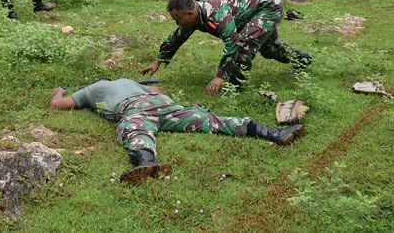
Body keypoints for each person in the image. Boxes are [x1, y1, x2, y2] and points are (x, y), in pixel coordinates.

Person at [49, 77, 304, 185]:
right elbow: (157, 92)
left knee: (136, 130)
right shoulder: (128, 82)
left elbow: (58, 105)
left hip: (135, 108)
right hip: (166, 105)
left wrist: (58, 91)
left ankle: (145, 162)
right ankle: (273, 133)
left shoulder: (91, 90)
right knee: (213, 121)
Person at [141, 0, 312, 95]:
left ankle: (236, 86)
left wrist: (220, 77)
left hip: (268, 7)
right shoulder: (194, 17)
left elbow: (233, 44)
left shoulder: (216, 14)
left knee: (245, 44)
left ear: (189, 14)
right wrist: (158, 61)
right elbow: (177, 37)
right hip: (249, 15)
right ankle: (302, 59)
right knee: (269, 49)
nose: (178, 24)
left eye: (178, 19)